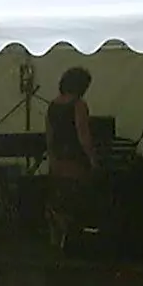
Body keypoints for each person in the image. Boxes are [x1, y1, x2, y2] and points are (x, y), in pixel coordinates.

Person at [45, 66, 95, 248]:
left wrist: (52, 161)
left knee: (60, 198)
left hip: (58, 162)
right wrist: (93, 159)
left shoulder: (52, 106)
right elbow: (83, 137)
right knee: (84, 196)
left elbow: (49, 137)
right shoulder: (79, 105)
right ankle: (74, 234)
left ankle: (57, 229)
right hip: (75, 161)